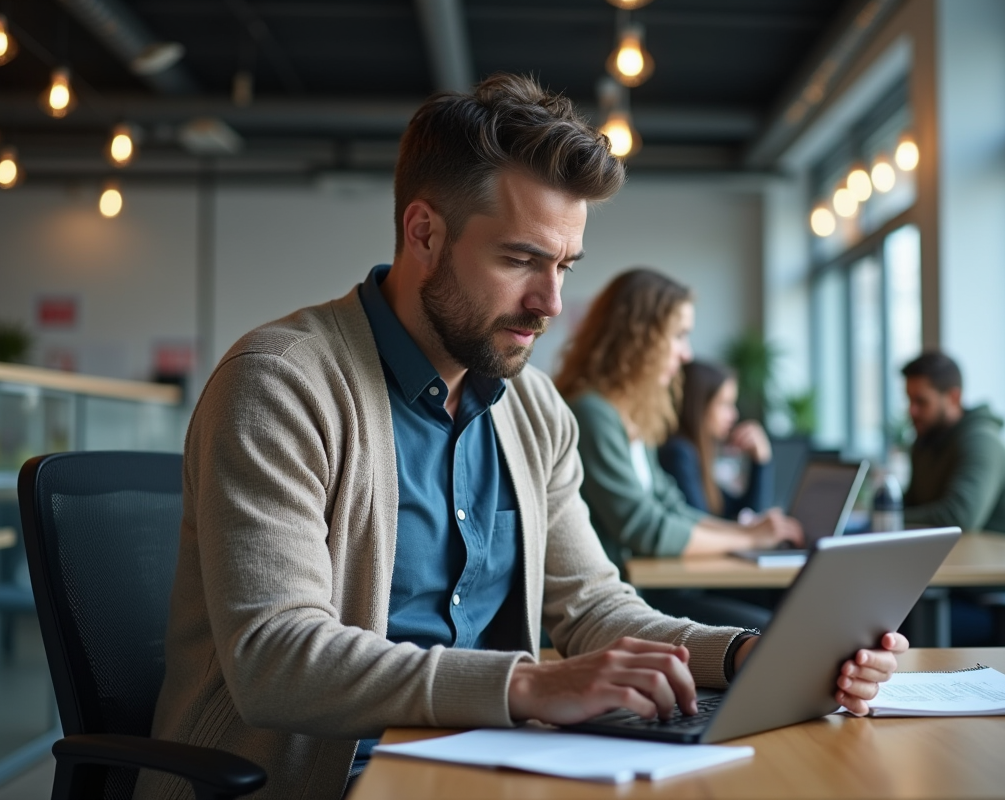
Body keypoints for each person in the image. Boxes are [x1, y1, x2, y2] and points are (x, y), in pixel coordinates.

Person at [139, 75, 907, 800]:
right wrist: (528, 684)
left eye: (566, 265)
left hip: (484, 761)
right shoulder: (281, 383)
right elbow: (276, 660)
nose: (550, 303)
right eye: (520, 260)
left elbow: (594, 606)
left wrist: (746, 655)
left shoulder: (532, 408)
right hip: (309, 780)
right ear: (424, 232)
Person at [554, 270, 800, 629]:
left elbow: (669, 505)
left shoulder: (629, 415)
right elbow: (642, 527)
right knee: (771, 632)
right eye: (679, 336)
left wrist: (746, 537)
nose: (686, 355)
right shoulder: (592, 413)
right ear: (638, 337)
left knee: (781, 618)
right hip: (616, 602)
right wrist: (747, 537)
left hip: (645, 590)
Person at [901, 351, 1005, 537]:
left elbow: (958, 517)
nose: (912, 411)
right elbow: (912, 504)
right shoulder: (924, 442)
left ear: (954, 397)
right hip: (959, 557)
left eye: (921, 402)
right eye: (909, 400)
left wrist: (887, 518)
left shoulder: (982, 441)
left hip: (1003, 560)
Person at [658, 360, 775, 519]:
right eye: (724, 404)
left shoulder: (696, 452)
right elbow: (702, 529)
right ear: (699, 406)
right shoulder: (678, 454)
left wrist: (760, 460)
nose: (734, 415)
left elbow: (744, 514)